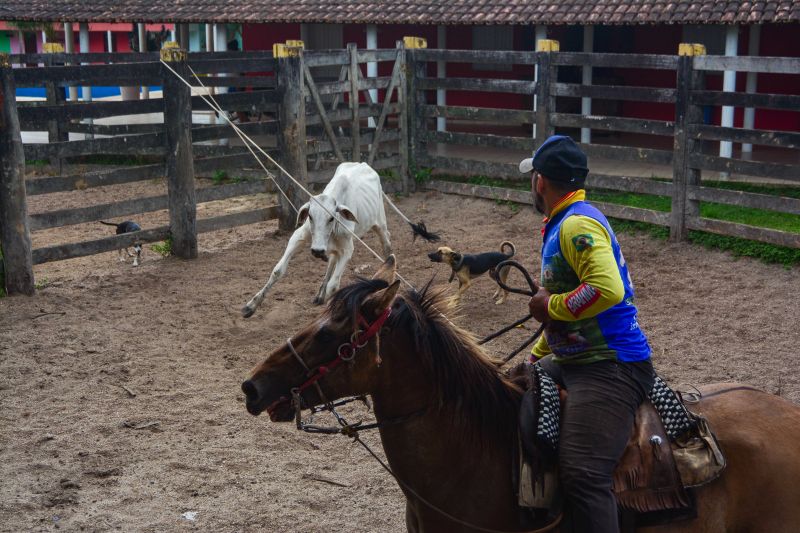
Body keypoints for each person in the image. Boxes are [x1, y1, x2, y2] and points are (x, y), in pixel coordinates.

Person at [519, 135, 655, 533]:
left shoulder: (576, 225)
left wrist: (550, 308)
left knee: (584, 474)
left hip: (610, 366)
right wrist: (535, 355)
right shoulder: (563, 222)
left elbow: (607, 288)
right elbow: (570, 315)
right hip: (579, 358)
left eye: (534, 176)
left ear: (540, 181)